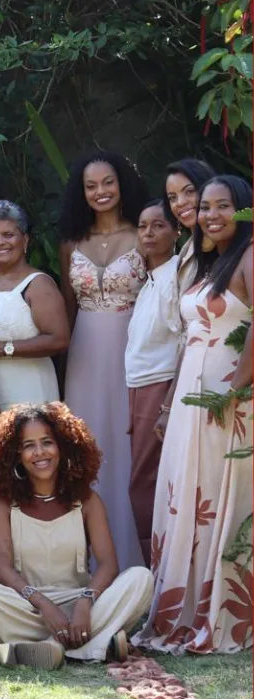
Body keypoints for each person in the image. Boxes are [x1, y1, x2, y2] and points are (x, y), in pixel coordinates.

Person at [137, 175, 253, 654]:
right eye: (205, 207)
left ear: (244, 210)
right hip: (190, 398)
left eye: (223, 206)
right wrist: (167, 408)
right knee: (187, 493)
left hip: (228, 399)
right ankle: (181, 609)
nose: (210, 215)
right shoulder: (211, 265)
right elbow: (191, 339)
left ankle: (219, 614)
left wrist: (235, 390)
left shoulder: (249, 256)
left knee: (217, 497)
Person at [0, 403, 154, 666]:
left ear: (63, 447)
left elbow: (109, 564)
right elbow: (0, 566)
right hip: (27, 604)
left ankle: (45, 647)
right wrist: (43, 604)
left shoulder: (87, 501)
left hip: (79, 602)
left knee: (140, 578)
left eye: (47, 442)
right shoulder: (2, 503)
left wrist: (85, 602)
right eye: (28, 445)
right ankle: (93, 645)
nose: (40, 452)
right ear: (14, 455)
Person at [58, 150, 148, 571]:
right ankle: (88, 564)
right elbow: (67, 309)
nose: (100, 192)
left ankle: (136, 563)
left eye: (107, 182)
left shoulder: (145, 235)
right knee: (87, 445)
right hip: (84, 353)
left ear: (122, 184)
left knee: (129, 445)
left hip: (134, 350)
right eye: (91, 186)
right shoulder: (71, 244)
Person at [0, 200, 67, 409]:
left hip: (29, 388)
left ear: (25, 240)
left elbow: (59, 340)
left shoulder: (37, 284)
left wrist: (4, 349)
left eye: (8, 235)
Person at [124, 200, 182, 566]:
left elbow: (186, 339)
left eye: (158, 225)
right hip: (140, 384)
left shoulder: (180, 273)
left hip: (160, 385)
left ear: (177, 232)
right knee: (147, 481)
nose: (147, 232)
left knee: (145, 485)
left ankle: (160, 574)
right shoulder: (151, 277)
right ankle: (156, 575)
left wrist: (166, 405)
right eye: (142, 226)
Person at [163, 158, 216, 293]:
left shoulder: (236, 243)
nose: (180, 203)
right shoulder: (184, 256)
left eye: (189, 191)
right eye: (172, 198)